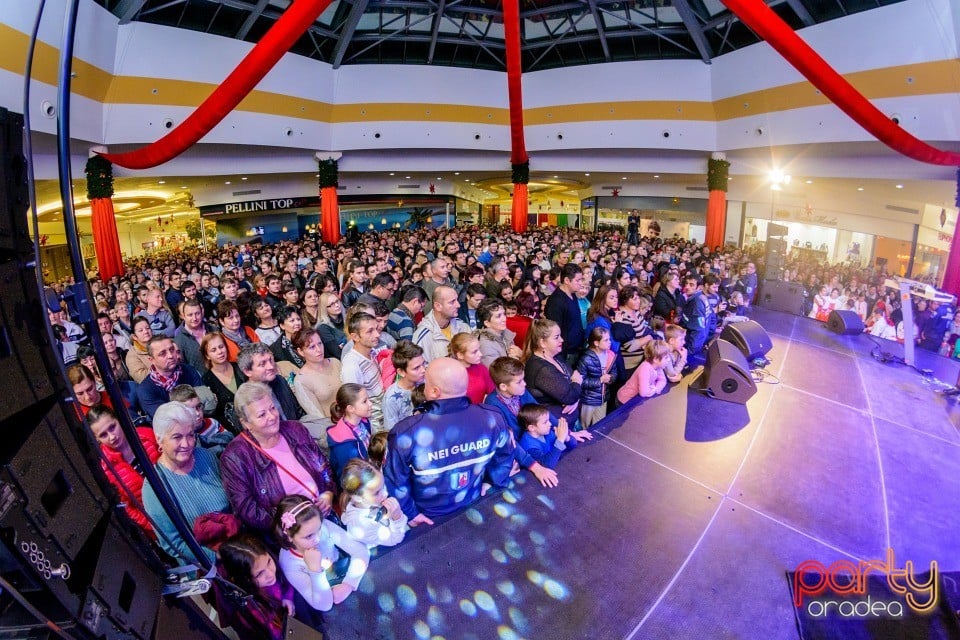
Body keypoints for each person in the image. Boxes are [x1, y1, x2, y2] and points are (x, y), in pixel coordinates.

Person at [383, 357, 515, 525]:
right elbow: (505, 455)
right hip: (475, 505)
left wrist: (410, 514)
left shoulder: (406, 432)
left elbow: (395, 480)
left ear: (434, 391)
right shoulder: (492, 418)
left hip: (429, 517)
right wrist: (493, 482)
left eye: (426, 383)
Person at [220, 382, 336, 534]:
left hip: (324, 518)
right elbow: (247, 510)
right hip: (289, 536)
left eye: (272, 408)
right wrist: (291, 524)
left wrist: (327, 492)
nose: (272, 416)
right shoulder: (235, 457)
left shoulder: (296, 429)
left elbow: (322, 466)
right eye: (262, 414)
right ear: (246, 423)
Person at [141, 401, 231, 565]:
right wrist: (218, 557)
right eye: (177, 437)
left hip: (235, 544)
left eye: (190, 435)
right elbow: (173, 544)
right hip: (206, 565)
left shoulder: (206, 456)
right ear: (159, 440)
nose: (187, 444)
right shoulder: (154, 487)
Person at [274, 497, 369, 612]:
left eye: (319, 529)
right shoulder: (289, 562)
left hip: (343, 572)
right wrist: (315, 570)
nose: (317, 539)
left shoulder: (324, 526)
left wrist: (348, 584)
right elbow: (324, 604)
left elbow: (361, 551)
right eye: (308, 536)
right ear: (289, 536)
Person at [483, 357, 560, 488]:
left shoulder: (520, 392)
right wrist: (535, 468)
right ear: (503, 386)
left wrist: (564, 429)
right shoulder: (493, 405)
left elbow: (541, 412)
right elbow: (509, 441)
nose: (524, 384)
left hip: (531, 442)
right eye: (519, 382)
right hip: (517, 453)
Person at [86, 404, 159, 538]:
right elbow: (129, 508)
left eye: (112, 427)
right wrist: (156, 529)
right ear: (97, 439)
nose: (112, 436)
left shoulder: (145, 435)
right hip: (159, 526)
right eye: (103, 435)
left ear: (119, 420)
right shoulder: (107, 470)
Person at [214, 534, 303, 640]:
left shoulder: (270, 571)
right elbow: (274, 635)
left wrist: (288, 597)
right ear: (245, 579)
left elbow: (286, 583)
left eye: (269, 562)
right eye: (259, 574)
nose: (270, 574)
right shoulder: (252, 607)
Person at [522, 319, 583, 426]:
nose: (562, 340)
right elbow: (571, 393)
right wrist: (576, 385)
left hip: (567, 425)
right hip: (554, 429)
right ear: (542, 342)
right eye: (556, 337)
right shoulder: (541, 368)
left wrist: (575, 399)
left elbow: (573, 390)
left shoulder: (556, 356)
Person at [339, 458, 408, 548]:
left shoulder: (367, 500)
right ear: (357, 497)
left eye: (383, 486)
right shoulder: (362, 524)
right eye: (376, 493)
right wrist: (398, 517)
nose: (385, 494)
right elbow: (394, 540)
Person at [137, 335, 205, 419]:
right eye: (163, 353)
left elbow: (203, 400)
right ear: (152, 360)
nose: (170, 356)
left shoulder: (189, 370)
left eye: (172, 350)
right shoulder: (145, 389)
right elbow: (165, 419)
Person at [291, 327, 342, 439]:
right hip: (333, 430)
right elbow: (318, 418)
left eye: (320, 343)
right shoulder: (301, 380)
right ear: (300, 351)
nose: (319, 350)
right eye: (312, 347)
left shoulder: (335, 362)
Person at [340, 311, 384, 433]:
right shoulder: (352, 365)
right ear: (355, 337)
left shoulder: (372, 352)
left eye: (376, 329)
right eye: (370, 331)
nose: (377, 334)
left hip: (384, 417)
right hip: (375, 426)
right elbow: (354, 404)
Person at [238, 343, 305, 421]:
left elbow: (298, 412)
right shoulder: (245, 400)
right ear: (247, 372)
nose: (271, 366)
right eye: (262, 364)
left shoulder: (280, 381)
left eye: (270, 360)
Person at [169, 384, 234, 457]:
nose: (197, 413)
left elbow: (230, 443)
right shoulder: (181, 438)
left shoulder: (212, 423)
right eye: (190, 410)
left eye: (198, 406)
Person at [326, 384, 373, 484]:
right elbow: (350, 477)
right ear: (351, 408)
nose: (370, 404)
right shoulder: (344, 443)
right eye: (365, 401)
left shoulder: (363, 421)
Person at [518, 405, 589, 470]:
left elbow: (573, 444)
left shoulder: (547, 432)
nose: (550, 424)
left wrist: (566, 436)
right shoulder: (529, 446)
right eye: (545, 422)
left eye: (548, 420)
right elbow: (547, 465)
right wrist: (560, 439)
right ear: (532, 428)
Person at [576, 327, 621, 429]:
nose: (610, 342)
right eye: (606, 340)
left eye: (609, 339)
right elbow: (580, 382)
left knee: (599, 427)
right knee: (584, 427)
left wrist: (610, 378)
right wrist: (600, 380)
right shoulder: (586, 358)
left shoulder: (610, 355)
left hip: (603, 399)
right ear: (596, 343)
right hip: (589, 400)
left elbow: (614, 373)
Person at [412, 285, 470, 363]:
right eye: (452, 302)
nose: (458, 305)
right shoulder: (423, 337)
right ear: (438, 306)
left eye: (457, 300)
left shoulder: (463, 327)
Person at [201, 332, 244, 433]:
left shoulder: (240, 367)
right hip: (232, 433)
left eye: (221, 347)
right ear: (207, 356)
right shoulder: (206, 380)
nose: (219, 352)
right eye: (213, 350)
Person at [543, 263, 586, 367]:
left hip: (577, 349)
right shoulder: (556, 302)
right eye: (578, 280)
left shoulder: (573, 295)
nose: (581, 283)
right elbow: (554, 331)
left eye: (581, 280)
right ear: (567, 280)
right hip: (565, 353)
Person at [382, 340, 426, 431]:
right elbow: (392, 432)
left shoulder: (426, 381)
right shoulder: (391, 399)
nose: (423, 370)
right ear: (401, 372)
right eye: (416, 368)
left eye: (423, 364)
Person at [617, 340, 671, 404]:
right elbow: (644, 393)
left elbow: (662, 380)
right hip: (625, 400)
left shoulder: (658, 367)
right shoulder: (645, 368)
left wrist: (655, 389)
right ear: (656, 359)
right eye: (666, 357)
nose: (669, 360)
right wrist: (653, 388)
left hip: (637, 399)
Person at [449, 333, 494, 405]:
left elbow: (492, 393)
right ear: (460, 355)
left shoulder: (482, 368)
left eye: (479, 349)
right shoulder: (450, 373)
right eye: (474, 352)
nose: (480, 354)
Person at [477, 298, 522, 367]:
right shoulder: (486, 346)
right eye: (498, 316)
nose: (504, 319)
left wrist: (520, 354)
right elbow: (498, 375)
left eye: (504, 314)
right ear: (487, 323)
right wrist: (517, 357)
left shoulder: (504, 333)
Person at [174, 298, 212, 374]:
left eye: (197, 313)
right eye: (190, 315)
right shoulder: (179, 340)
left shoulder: (213, 329)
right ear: (183, 316)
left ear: (202, 313)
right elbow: (182, 368)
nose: (194, 318)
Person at [315, 293, 347, 360]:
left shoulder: (346, 318)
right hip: (338, 363)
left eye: (337, 301)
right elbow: (338, 353)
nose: (337, 305)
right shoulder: (323, 328)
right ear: (324, 308)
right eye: (332, 304)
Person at [126, 316, 154, 383]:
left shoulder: (160, 343)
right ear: (134, 337)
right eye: (140, 330)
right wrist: (162, 367)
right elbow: (141, 377)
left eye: (148, 328)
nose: (146, 332)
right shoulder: (132, 355)